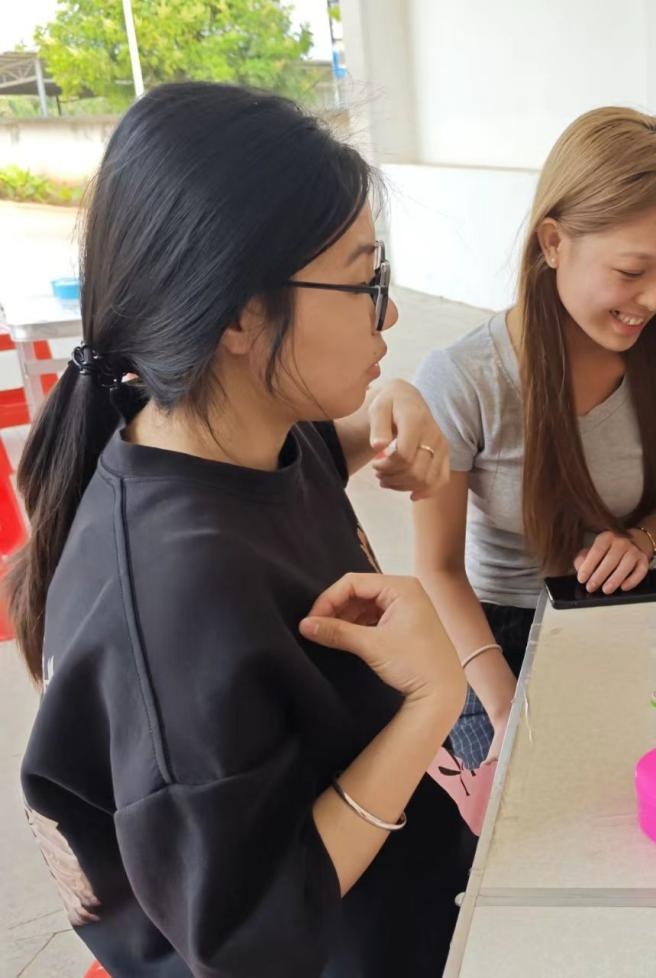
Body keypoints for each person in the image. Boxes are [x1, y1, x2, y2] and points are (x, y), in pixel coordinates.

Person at [16, 82, 469, 976]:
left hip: (409, 899)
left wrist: (393, 402)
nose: (388, 313)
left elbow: (318, 451)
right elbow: (254, 936)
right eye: (363, 280)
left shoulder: (236, 434)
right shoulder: (180, 603)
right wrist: (431, 704)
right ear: (237, 314)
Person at [413, 107, 656, 771]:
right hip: (493, 638)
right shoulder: (465, 377)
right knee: (518, 794)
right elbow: (437, 570)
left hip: (620, 617)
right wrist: (505, 705)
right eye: (631, 271)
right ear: (552, 242)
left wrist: (642, 541)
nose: (655, 298)